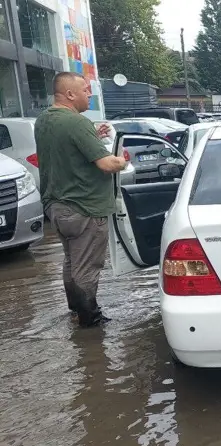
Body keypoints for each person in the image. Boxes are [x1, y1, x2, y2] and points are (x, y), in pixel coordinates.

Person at [35, 72, 127, 327]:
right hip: (84, 208)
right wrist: (122, 159)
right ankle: (90, 322)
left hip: (57, 207)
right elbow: (107, 164)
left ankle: (75, 311)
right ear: (70, 94)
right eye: (85, 90)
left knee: (71, 261)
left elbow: (67, 147)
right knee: (86, 267)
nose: (90, 94)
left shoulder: (44, 119)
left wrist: (92, 136)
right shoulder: (77, 122)